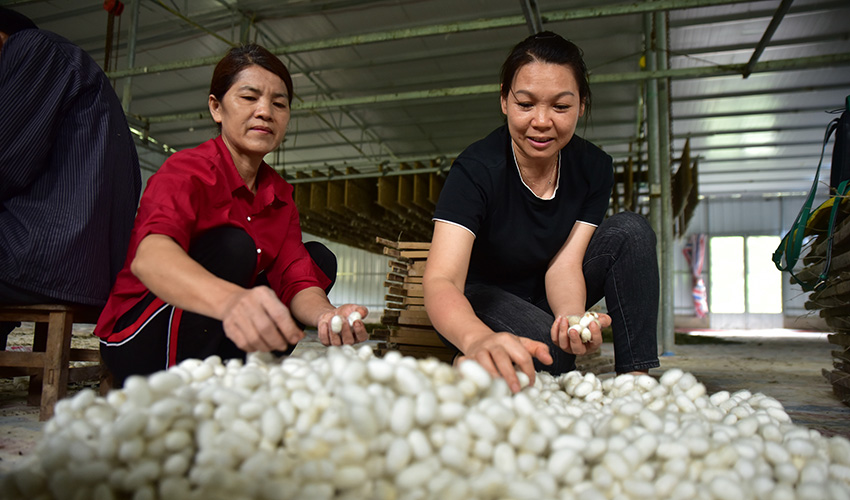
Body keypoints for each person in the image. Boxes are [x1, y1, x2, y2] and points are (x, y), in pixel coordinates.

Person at [95, 43, 368, 386]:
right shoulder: (188, 171)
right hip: (139, 338)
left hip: (215, 338)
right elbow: (149, 259)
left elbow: (297, 280)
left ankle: (233, 374)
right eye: (249, 97)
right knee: (234, 246)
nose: (265, 112)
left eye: (279, 104)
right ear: (216, 108)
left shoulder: (280, 196)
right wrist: (233, 300)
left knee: (318, 259)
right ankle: (183, 383)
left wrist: (328, 315)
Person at [423, 31, 659, 393]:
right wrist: (475, 339)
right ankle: (471, 357)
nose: (542, 121)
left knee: (631, 231)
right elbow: (442, 280)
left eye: (561, 107)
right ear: (504, 100)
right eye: (526, 104)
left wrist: (571, 319)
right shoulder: (476, 169)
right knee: (550, 356)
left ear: (581, 105)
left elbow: (565, 264)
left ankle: (637, 383)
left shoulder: (594, 167)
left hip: (546, 293)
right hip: (485, 295)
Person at [0, 8, 141, 347]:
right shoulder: (58, 59)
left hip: (52, 254)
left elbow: (6, 164)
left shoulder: (31, 48)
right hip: (81, 261)